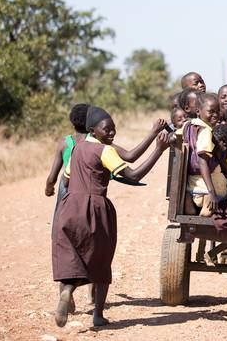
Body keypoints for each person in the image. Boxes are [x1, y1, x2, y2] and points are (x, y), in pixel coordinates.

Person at [52, 106, 170, 327]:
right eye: (107, 130)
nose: (112, 133)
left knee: (75, 256)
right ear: (93, 130)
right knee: (102, 260)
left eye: (114, 129)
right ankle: (97, 315)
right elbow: (133, 175)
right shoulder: (105, 151)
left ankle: (67, 290)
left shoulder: (77, 149)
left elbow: (66, 179)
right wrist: (159, 150)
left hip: (69, 207)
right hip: (94, 207)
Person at [182, 93, 227, 217]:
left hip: (191, 185)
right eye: (211, 111)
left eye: (217, 111)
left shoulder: (187, 126)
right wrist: (212, 192)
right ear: (198, 111)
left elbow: (175, 135)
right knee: (226, 186)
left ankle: (190, 206)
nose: (215, 115)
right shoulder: (206, 131)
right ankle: (207, 208)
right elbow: (202, 161)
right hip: (209, 184)